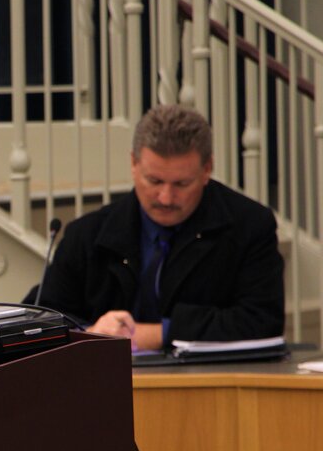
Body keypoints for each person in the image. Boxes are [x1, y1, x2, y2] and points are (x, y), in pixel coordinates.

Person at [25, 104, 284, 352]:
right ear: (134, 164)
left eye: (182, 184)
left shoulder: (249, 225)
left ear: (207, 169)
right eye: (154, 181)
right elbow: (38, 322)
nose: (166, 198)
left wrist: (157, 334)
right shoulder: (87, 235)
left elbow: (262, 320)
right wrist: (90, 333)